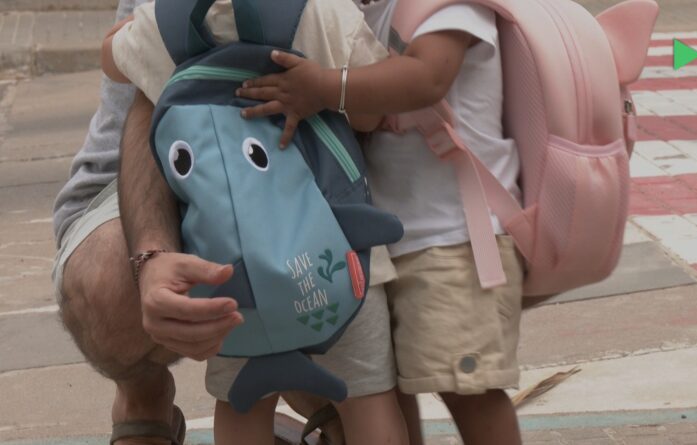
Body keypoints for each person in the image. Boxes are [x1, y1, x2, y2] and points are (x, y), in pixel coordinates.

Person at [53, 0, 407, 444]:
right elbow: (371, 110)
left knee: (243, 402)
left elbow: (115, 60)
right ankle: (325, 405)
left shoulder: (169, 22)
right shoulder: (322, 13)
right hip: (330, 247)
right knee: (367, 398)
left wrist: (130, 32)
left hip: (228, 258)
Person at [237, 1, 525, 444]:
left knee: (468, 389)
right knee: (383, 392)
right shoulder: (359, 12)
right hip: (384, 244)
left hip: (455, 241)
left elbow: (428, 78)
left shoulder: (445, 7)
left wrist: (323, 87)